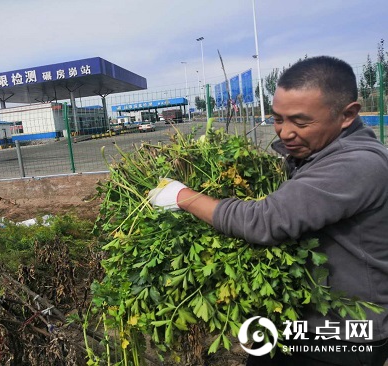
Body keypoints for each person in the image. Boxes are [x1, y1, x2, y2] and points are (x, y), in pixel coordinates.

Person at [148, 56, 388, 366]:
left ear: (347, 114)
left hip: (344, 335)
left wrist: (183, 196)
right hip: (305, 319)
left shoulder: (356, 164)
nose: (284, 133)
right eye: (278, 118)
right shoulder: (317, 153)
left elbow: (264, 221)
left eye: (300, 122)